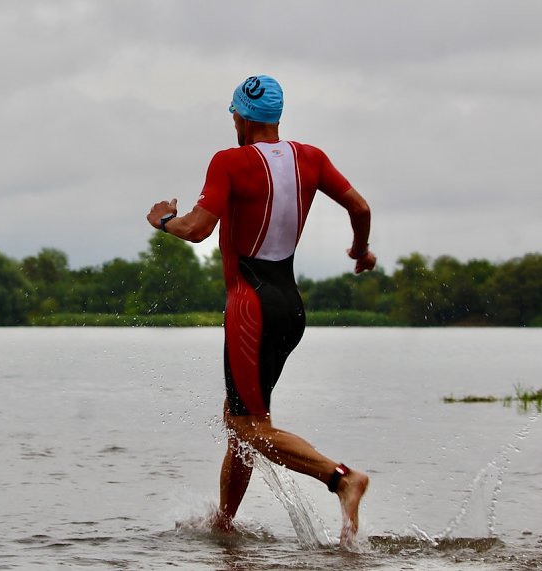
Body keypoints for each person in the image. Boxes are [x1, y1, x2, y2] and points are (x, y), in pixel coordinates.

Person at [145, 74, 375, 547]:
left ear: (241, 116)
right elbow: (359, 206)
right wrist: (360, 251)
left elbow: (197, 230)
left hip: (251, 311)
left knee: (249, 425)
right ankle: (225, 527)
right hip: (290, 306)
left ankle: (341, 479)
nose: (233, 120)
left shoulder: (230, 162)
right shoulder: (310, 158)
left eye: (233, 114)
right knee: (240, 420)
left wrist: (163, 220)